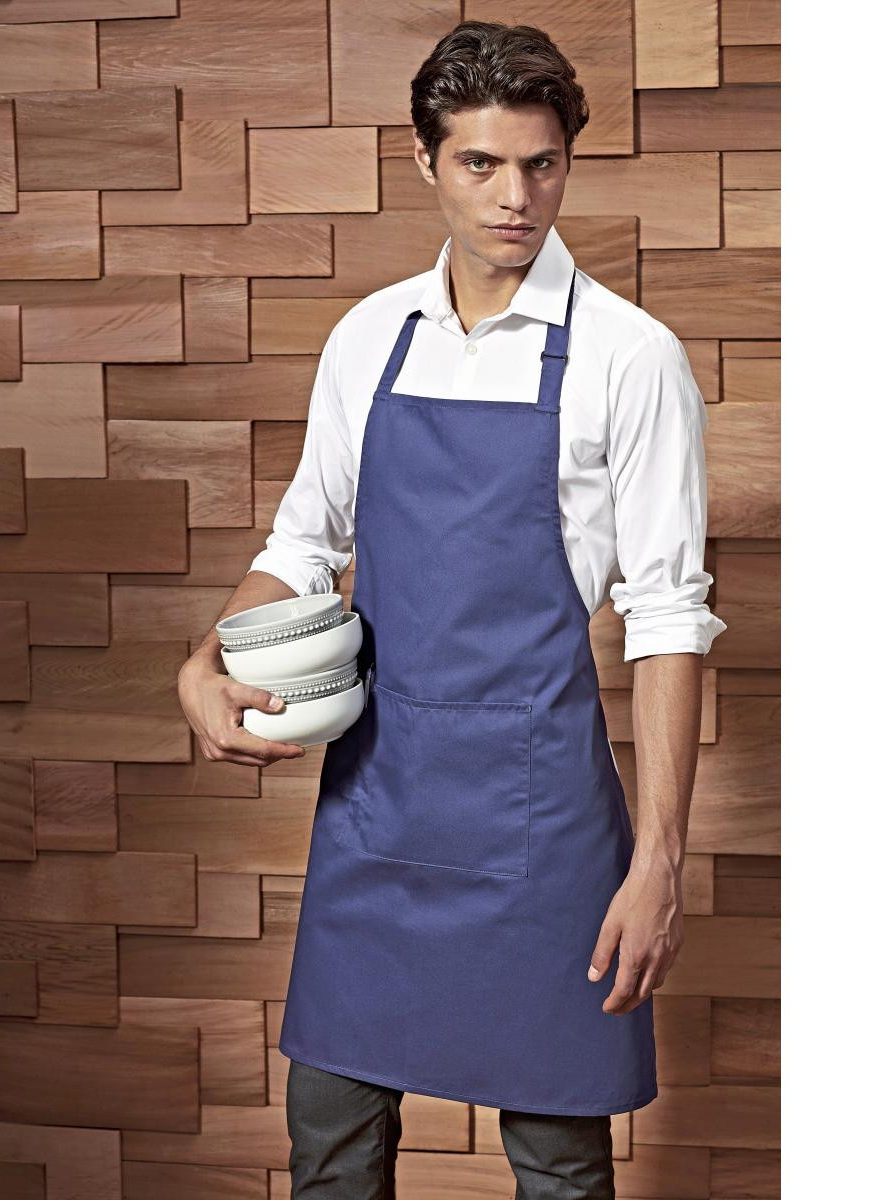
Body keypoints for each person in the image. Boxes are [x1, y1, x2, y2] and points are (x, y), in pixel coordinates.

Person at [178, 19, 727, 1200]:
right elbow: (303, 544)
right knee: (329, 1143)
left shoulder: (630, 359)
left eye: (540, 164)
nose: (513, 197)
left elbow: (667, 619)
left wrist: (658, 865)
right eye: (480, 163)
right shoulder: (368, 339)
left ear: (566, 162)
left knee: (559, 1163)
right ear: (423, 159)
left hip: (544, 822)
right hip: (376, 800)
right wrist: (200, 660)